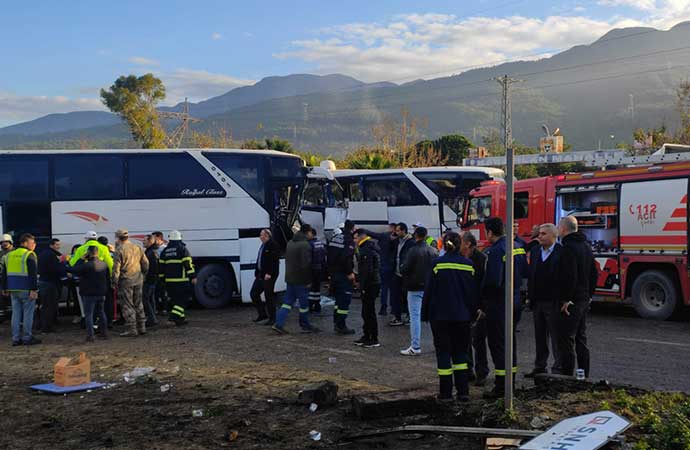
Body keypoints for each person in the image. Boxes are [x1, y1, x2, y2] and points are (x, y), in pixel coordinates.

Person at [421, 232, 478, 401]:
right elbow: (472, 293)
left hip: (440, 317)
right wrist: (473, 314)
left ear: (443, 244)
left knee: (443, 353)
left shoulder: (437, 264)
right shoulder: (469, 265)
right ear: (460, 244)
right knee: (461, 354)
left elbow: (429, 291)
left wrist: (424, 314)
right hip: (462, 317)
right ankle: (463, 392)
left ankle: (445, 393)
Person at [479, 217, 528, 398]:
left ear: (490, 232)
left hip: (499, 304)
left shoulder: (496, 250)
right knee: (510, 343)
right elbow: (525, 273)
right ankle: (511, 382)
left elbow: (492, 281)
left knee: (498, 345)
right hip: (515, 300)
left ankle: (501, 388)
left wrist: (483, 301)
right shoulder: (517, 245)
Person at [555, 216, 597, 377]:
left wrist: (566, 299)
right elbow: (594, 273)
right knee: (581, 338)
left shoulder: (568, 248)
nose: (558, 230)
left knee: (566, 339)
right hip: (583, 299)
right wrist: (589, 294)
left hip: (572, 301)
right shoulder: (586, 246)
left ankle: (568, 376)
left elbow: (569, 275)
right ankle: (583, 374)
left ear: (564, 229)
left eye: (559, 227)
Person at [525, 224, 562, 378]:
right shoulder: (534, 251)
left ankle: (558, 368)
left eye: (543, 234)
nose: (539, 236)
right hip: (537, 300)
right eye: (539, 234)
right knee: (540, 336)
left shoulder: (561, 252)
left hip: (553, 301)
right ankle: (540, 366)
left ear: (554, 236)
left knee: (556, 336)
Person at [273, 224, 319, 334]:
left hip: (290, 278)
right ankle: (305, 324)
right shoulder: (305, 245)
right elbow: (305, 265)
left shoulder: (290, 243)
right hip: (301, 280)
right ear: (307, 232)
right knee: (304, 305)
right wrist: (308, 280)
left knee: (287, 303)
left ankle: (278, 324)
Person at [400, 226, 438, 356]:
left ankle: (415, 346)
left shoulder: (413, 250)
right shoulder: (433, 251)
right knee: (433, 316)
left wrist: (402, 268)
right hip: (430, 288)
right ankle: (438, 344)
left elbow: (405, 269)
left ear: (416, 235)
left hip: (414, 287)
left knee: (415, 317)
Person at [1, 233, 40, 346]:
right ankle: (27, 337)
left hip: (13, 289)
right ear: (25, 243)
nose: (34, 245)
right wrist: (34, 289)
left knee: (16, 314)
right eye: (32, 243)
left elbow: (4, 273)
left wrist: (4, 287)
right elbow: (33, 274)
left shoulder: (9, 255)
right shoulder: (29, 255)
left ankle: (16, 338)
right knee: (28, 314)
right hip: (26, 289)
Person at [460, 232, 488, 385]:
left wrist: (482, 307)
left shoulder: (481, 259)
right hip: (465, 305)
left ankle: (482, 372)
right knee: (465, 340)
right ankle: (468, 370)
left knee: (478, 341)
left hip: (477, 307)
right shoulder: (462, 258)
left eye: (460, 241)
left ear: (468, 244)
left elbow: (484, 284)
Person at [67, 246, 110, 342]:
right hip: (101, 292)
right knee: (101, 312)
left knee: (89, 314)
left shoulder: (86, 265)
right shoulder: (103, 264)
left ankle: (90, 336)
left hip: (89, 293)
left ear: (88, 253)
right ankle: (104, 333)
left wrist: (81, 259)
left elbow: (73, 269)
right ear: (97, 253)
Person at [112, 229, 149, 337]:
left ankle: (132, 328)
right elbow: (145, 263)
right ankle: (142, 326)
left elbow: (116, 269)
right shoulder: (137, 247)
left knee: (127, 304)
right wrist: (143, 274)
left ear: (118, 238)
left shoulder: (119, 250)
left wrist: (114, 282)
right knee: (138, 302)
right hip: (138, 279)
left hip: (126, 281)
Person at [356, 224, 397, 316]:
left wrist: (361, 229)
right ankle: (394, 309)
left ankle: (383, 308)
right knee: (393, 289)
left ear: (392, 228)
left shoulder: (384, 236)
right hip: (393, 267)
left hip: (383, 265)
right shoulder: (398, 239)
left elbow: (371, 233)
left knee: (384, 288)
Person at [160, 230, 196, 326]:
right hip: (181, 280)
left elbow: (161, 267)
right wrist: (193, 276)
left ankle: (180, 319)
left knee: (176, 300)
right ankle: (173, 317)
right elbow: (188, 264)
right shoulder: (182, 249)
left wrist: (162, 279)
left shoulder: (165, 251)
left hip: (169, 282)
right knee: (183, 301)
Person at [353, 229, 381, 347]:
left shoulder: (367, 249)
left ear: (360, 237)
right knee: (365, 311)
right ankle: (366, 335)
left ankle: (373, 338)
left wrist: (362, 285)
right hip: (369, 283)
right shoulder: (365, 247)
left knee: (369, 312)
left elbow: (367, 270)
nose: (354, 240)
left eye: (355, 238)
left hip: (370, 284)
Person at [327, 220, 356, 334]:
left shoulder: (335, 238)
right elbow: (346, 258)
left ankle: (336, 322)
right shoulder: (348, 240)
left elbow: (328, 255)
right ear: (352, 229)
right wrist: (349, 273)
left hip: (333, 274)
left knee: (338, 301)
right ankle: (341, 325)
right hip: (343, 275)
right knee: (344, 300)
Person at [250, 229, 280, 325]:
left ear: (267, 235)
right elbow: (260, 259)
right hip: (261, 274)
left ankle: (273, 318)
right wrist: (257, 272)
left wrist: (269, 273)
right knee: (254, 293)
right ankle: (262, 314)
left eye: (261, 235)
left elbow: (274, 261)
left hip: (269, 275)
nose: (260, 237)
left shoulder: (273, 245)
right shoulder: (263, 245)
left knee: (269, 296)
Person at [38, 238, 66, 333]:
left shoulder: (43, 253)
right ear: (51, 245)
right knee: (50, 305)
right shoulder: (51, 255)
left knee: (45, 305)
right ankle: (47, 327)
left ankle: (43, 324)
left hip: (44, 281)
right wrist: (63, 264)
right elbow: (56, 269)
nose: (59, 246)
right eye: (57, 244)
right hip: (50, 283)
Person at [390, 222, 414, 326]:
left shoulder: (410, 243)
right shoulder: (397, 241)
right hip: (397, 273)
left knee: (406, 296)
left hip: (406, 274)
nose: (396, 232)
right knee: (396, 295)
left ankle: (409, 316)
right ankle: (397, 316)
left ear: (404, 230)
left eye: (398, 230)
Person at [307, 227, 326, 313]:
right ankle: (317, 305)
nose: (307, 235)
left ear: (312, 234)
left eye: (308, 233)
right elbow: (323, 256)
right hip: (319, 268)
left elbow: (308, 258)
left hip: (312, 268)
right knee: (317, 288)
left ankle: (310, 305)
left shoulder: (310, 244)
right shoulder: (320, 243)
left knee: (311, 288)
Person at [142, 235, 159, 328]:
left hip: (149, 279)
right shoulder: (152, 251)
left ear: (150, 241)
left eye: (144, 241)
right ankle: (153, 318)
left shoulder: (150, 253)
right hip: (153, 279)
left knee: (145, 299)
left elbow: (150, 267)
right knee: (151, 299)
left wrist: (146, 277)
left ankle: (151, 319)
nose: (143, 242)